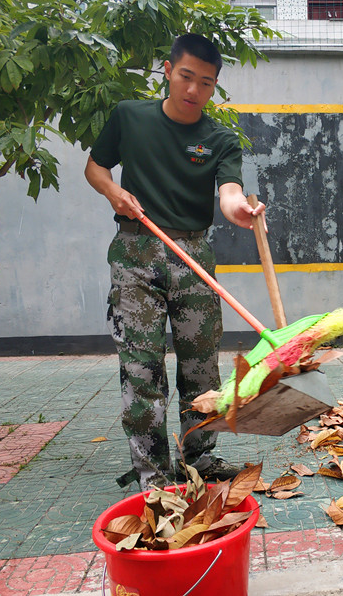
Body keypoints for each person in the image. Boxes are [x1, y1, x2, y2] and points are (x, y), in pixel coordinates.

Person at [84, 33, 264, 491]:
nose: (193, 90)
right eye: (186, 76)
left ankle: (198, 458)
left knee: (200, 365)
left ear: (215, 85)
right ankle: (153, 475)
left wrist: (240, 210)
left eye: (206, 83)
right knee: (141, 367)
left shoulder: (220, 139)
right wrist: (113, 192)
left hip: (193, 255)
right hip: (135, 253)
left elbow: (228, 192)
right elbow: (95, 167)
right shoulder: (129, 116)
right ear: (167, 70)